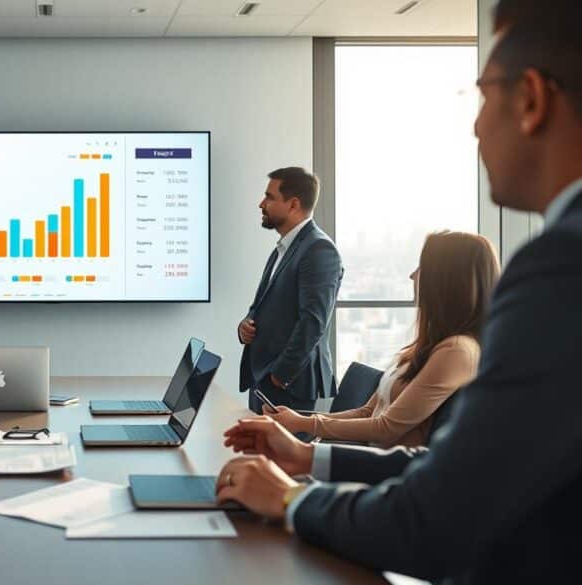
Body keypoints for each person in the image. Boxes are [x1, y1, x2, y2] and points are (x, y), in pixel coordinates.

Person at [215, 1, 582, 582]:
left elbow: (440, 513)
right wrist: (309, 455)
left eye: (481, 95)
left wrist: (290, 498)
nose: (475, 126)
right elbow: (451, 469)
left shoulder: (560, 266)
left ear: (532, 99)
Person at [266, 231, 499, 448]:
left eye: (422, 267)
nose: (413, 275)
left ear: (447, 281)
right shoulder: (428, 346)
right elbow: (368, 412)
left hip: (382, 473)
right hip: (366, 457)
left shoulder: (457, 351)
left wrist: (305, 425)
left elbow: (386, 428)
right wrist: (298, 420)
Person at [238, 167, 343, 412]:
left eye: (270, 197)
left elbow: (313, 322)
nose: (261, 204)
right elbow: (262, 307)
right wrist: (245, 324)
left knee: (282, 452)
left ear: (293, 204)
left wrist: (280, 376)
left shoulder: (319, 250)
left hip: (289, 386)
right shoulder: (284, 248)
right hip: (264, 381)